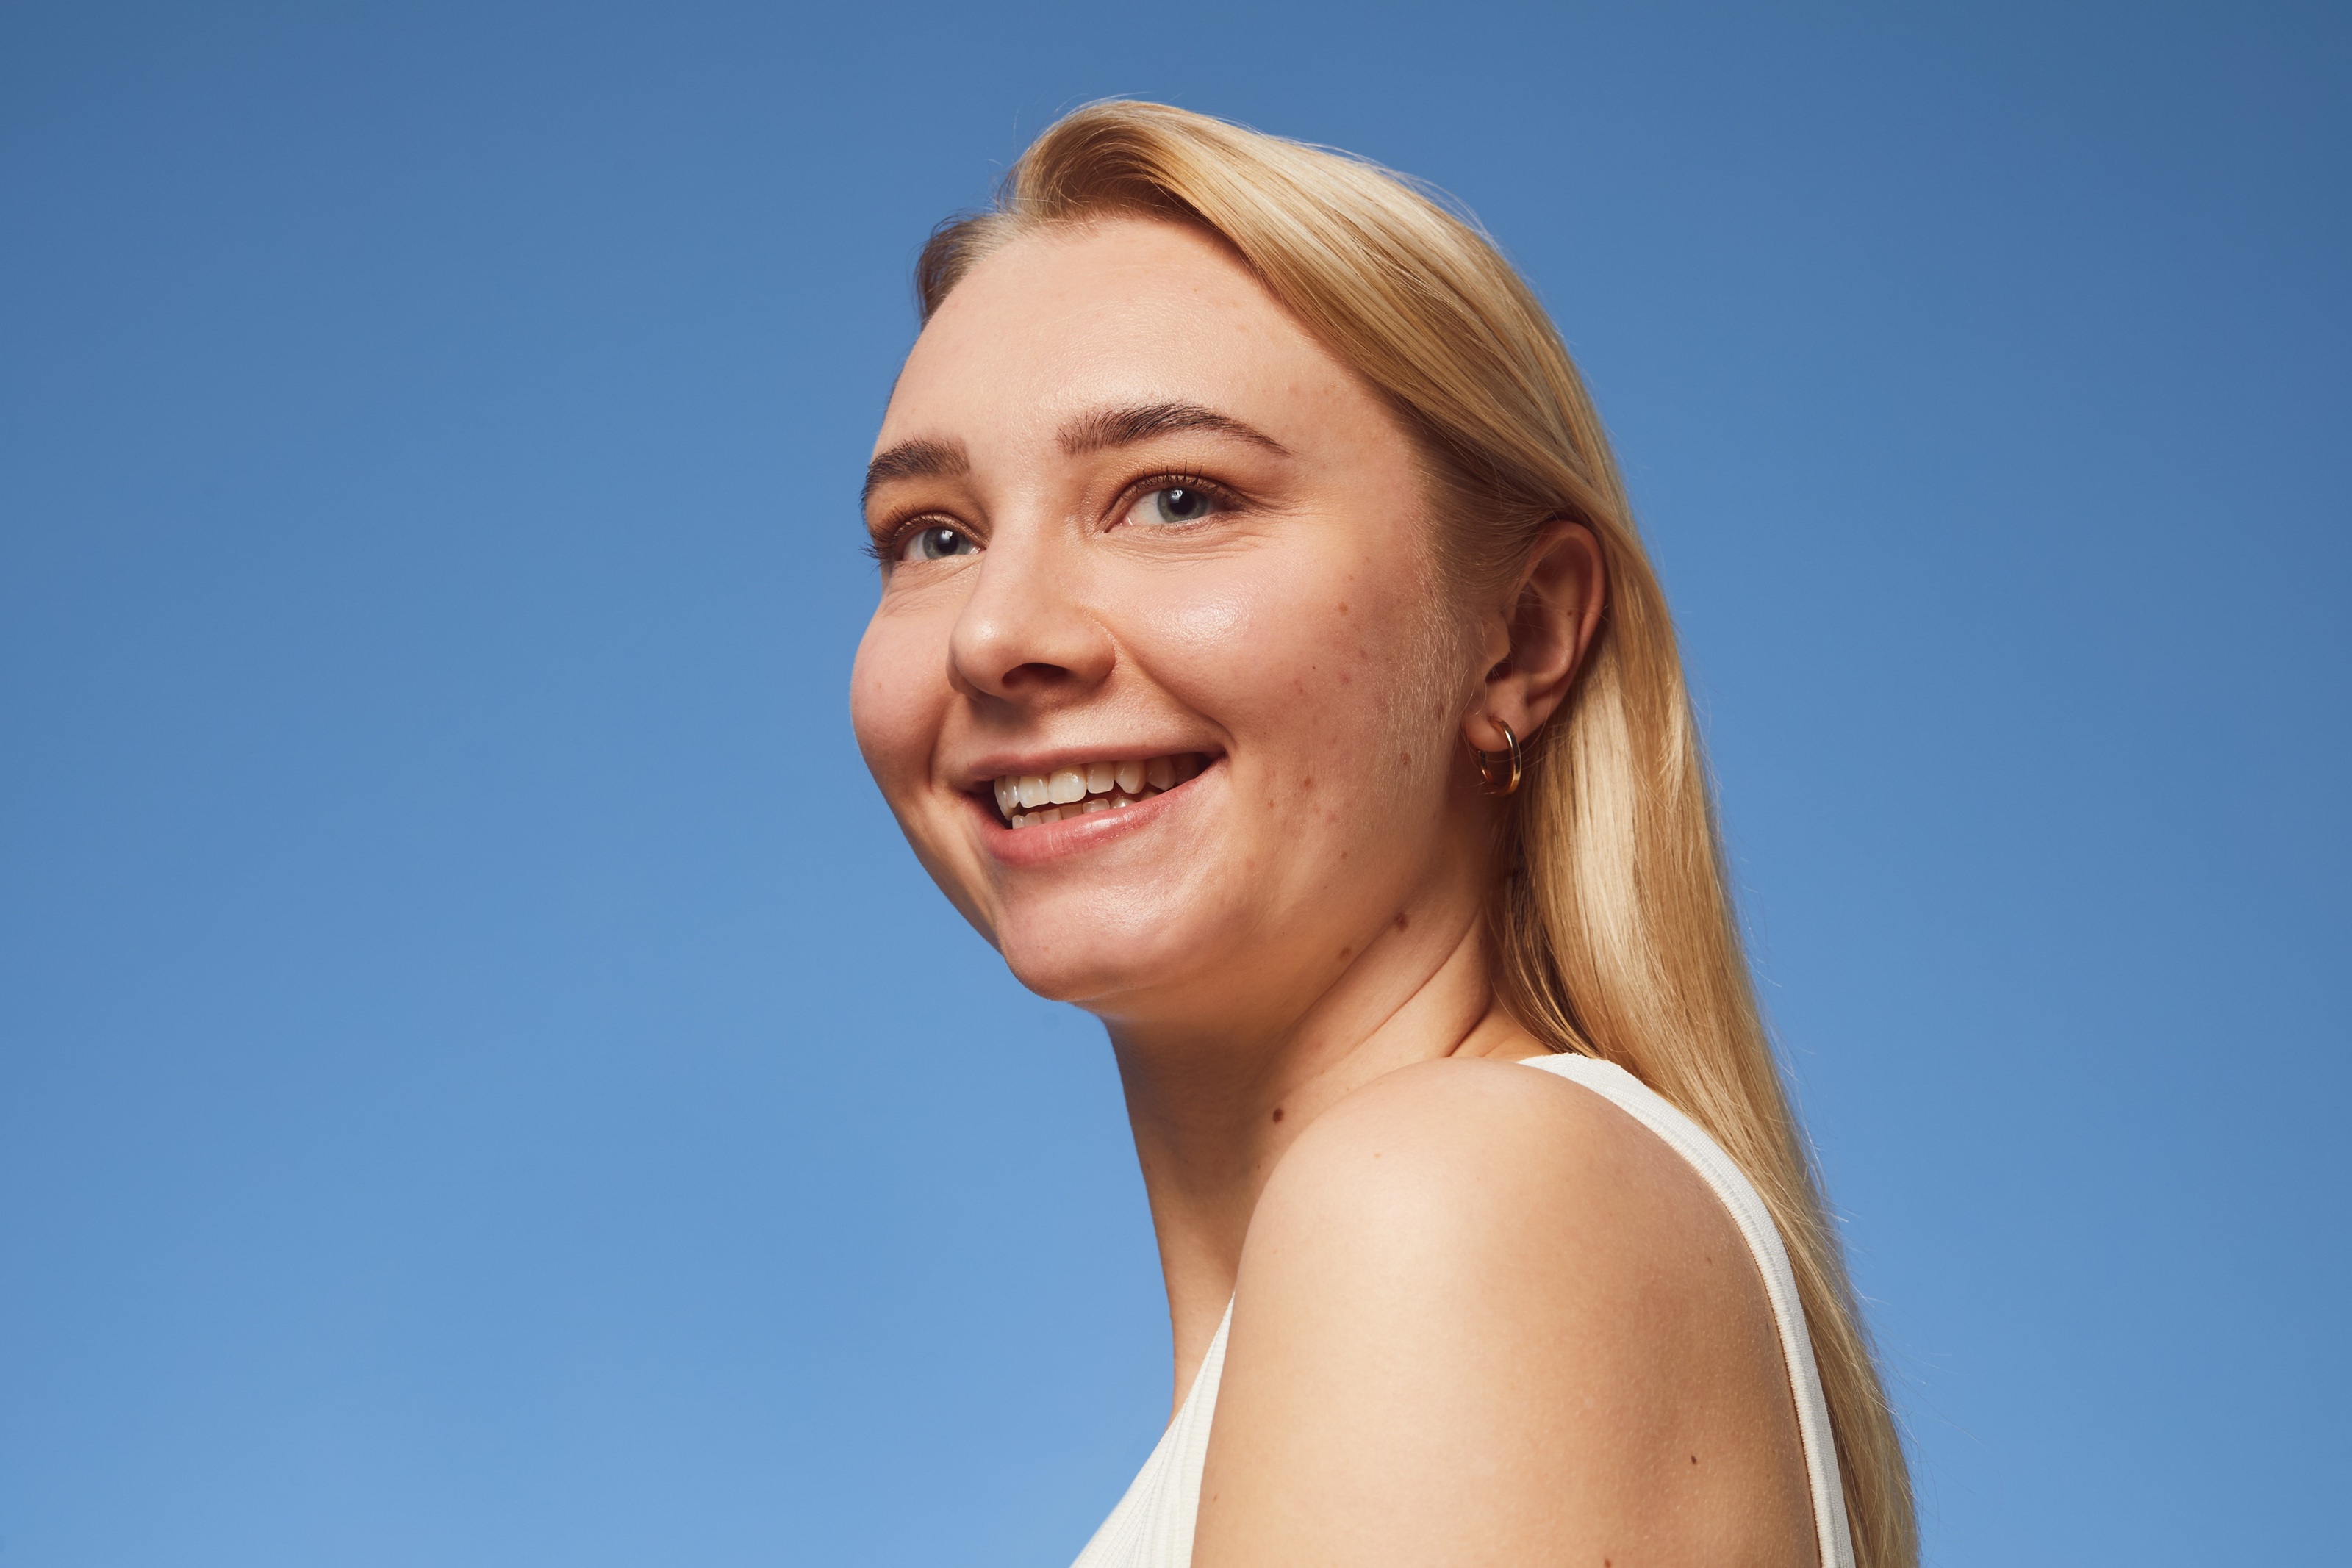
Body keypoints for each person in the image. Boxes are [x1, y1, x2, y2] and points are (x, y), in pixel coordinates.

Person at [850, 101, 1915, 1568]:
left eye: (1177, 496)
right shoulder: (1449, 1246)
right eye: (933, 533)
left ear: (1520, 638)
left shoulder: (1453, 1201)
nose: (998, 632)